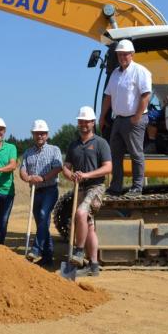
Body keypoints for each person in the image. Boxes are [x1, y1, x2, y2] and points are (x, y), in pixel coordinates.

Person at [63, 106, 112, 276]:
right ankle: (94, 265)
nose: (84, 124)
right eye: (81, 121)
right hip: (80, 188)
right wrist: (71, 176)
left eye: (87, 121)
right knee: (89, 227)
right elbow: (66, 167)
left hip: (96, 187)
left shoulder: (100, 143)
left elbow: (108, 167)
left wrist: (86, 175)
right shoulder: (73, 145)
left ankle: (78, 252)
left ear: (93, 123)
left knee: (81, 214)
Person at [99, 39, 152, 195]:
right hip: (119, 119)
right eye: (120, 54)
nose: (122, 57)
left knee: (136, 154)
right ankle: (116, 187)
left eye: (125, 54)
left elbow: (146, 95)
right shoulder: (115, 73)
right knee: (115, 154)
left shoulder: (140, 71)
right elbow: (108, 97)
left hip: (134, 119)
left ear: (132, 54)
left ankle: (137, 187)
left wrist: (136, 117)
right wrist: (102, 117)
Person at [19, 119, 63, 266]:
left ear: (47, 135)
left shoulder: (54, 149)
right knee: (42, 224)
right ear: (33, 134)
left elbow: (57, 168)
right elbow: (22, 170)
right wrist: (27, 178)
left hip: (50, 189)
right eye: (37, 133)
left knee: (44, 215)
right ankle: (48, 257)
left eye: (42, 133)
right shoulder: (28, 152)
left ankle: (36, 249)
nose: (40, 136)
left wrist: (43, 178)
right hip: (35, 192)